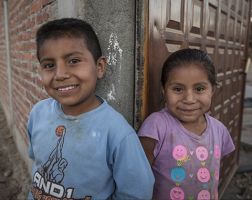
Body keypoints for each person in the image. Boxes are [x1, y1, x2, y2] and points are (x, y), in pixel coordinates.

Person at [27, 18, 154, 200]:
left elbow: (137, 193)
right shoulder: (38, 113)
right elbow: (38, 162)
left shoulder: (117, 132)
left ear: (99, 67)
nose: (60, 74)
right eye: (49, 65)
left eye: (74, 60)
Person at [137, 49, 235, 200]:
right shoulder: (156, 126)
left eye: (199, 89)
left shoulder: (219, 129)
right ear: (163, 89)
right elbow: (137, 177)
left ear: (213, 89)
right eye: (178, 89)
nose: (189, 99)